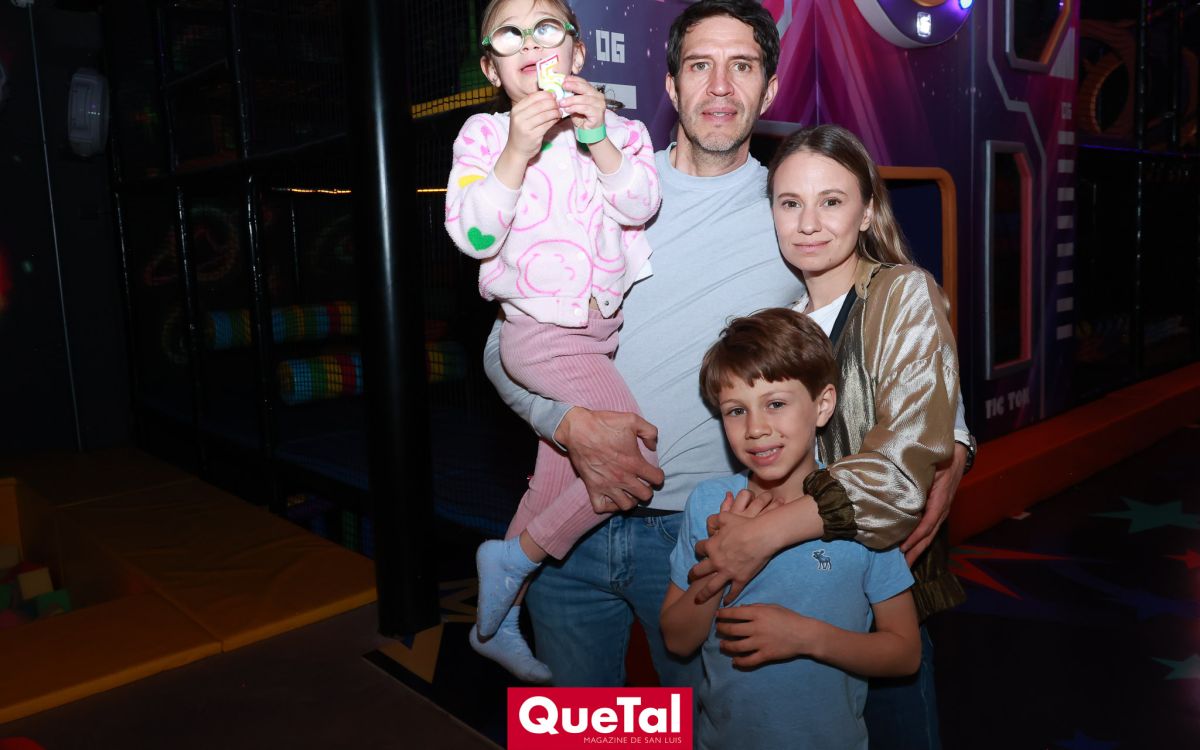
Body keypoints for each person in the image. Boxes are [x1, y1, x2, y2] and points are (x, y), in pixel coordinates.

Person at [483, 0, 972, 715]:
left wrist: (952, 437)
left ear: (769, 90)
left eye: (741, 66)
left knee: (716, 729)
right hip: (567, 519)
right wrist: (566, 424)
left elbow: (880, 315)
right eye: (699, 66)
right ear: (671, 85)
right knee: (578, 730)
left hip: (701, 536)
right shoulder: (597, 183)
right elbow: (505, 343)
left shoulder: (789, 210)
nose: (719, 86)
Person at [689, 123, 969, 749]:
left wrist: (760, 536)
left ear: (867, 210)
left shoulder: (900, 293)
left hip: (877, 601)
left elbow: (902, 466)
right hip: (790, 591)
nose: (809, 223)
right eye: (791, 203)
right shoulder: (782, 324)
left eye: (832, 201)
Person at [444, 0, 661, 682]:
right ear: (492, 68)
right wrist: (516, 149)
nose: (531, 44)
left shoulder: (620, 131)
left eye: (546, 28)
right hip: (539, 333)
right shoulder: (485, 134)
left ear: (577, 52)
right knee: (634, 453)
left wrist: (598, 137)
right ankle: (519, 556)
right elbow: (474, 236)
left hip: (599, 333)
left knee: (559, 474)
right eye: (510, 35)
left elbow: (640, 205)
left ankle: (499, 618)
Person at [661, 308, 920, 750]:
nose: (756, 428)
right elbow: (678, 638)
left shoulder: (861, 508)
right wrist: (723, 559)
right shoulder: (709, 504)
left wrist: (804, 637)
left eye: (776, 404)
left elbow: (904, 652)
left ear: (822, 405)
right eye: (736, 410)